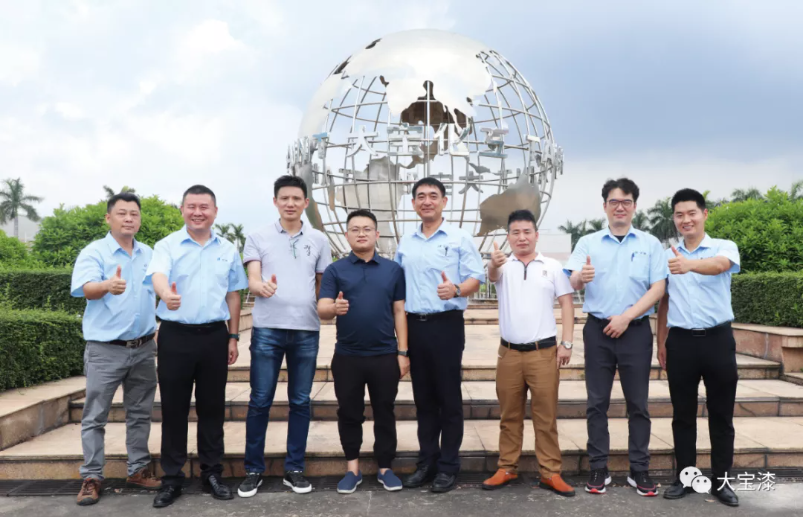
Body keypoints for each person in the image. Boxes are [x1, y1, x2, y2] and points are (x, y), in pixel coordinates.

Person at [564, 178, 667, 497]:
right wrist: (581, 277)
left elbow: (658, 288)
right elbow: (573, 281)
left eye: (626, 201)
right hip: (598, 332)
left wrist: (626, 317)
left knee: (638, 404)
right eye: (613, 201)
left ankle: (640, 469)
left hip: (635, 332)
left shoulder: (650, 243)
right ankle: (598, 468)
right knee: (597, 403)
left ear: (634, 206)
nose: (619, 207)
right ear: (605, 206)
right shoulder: (588, 242)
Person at [147, 185, 248, 508]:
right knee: (173, 409)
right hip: (175, 336)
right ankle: (172, 478)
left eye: (204, 207)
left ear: (215, 212)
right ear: (182, 210)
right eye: (191, 206)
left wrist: (233, 336)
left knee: (212, 408)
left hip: (214, 337)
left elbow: (234, 294)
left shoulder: (228, 249)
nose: (197, 212)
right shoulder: (167, 245)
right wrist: (165, 294)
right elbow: (158, 275)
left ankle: (212, 473)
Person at [237, 175, 331, 498]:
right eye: (284, 198)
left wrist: (330, 307)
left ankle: (294, 469)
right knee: (260, 400)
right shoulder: (258, 236)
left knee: (300, 401)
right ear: (275, 201)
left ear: (306, 203)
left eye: (296, 198)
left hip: (306, 330)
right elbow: (253, 277)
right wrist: (260, 286)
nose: (290, 203)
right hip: (268, 329)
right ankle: (253, 470)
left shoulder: (319, 239)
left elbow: (321, 286)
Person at [395, 177, 485, 493]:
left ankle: (448, 466)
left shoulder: (460, 238)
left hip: (447, 325)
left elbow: (477, 278)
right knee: (424, 400)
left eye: (433, 195)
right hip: (415, 327)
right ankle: (427, 463)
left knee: (449, 399)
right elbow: (397, 287)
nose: (427, 201)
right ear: (413, 204)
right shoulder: (406, 242)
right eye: (421, 196)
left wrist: (456, 289)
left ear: (444, 201)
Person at [71, 192, 161, 506]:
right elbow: (86, 289)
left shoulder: (149, 254)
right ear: (108, 218)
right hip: (105, 350)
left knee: (140, 413)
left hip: (143, 348)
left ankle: (138, 469)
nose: (128, 219)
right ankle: (92, 476)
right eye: (122, 213)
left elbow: (159, 291)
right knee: (95, 416)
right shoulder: (94, 252)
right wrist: (107, 286)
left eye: (134, 213)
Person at [481, 210, 576, 497]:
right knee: (509, 416)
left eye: (526, 232)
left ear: (536, 235)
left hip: (543, 353)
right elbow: (492, 275)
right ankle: (507, 467)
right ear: (508, 237)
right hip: (509, 354)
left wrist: (567, 343)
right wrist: (493, 263)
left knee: (545, 417)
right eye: (515, 232)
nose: (521, 237)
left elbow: (567, 303)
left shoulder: (552, 266)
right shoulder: (503, 266)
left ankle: (550, 472)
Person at [657, 189, 740, 507]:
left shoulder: (723, 247)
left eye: (691, 213)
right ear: (674, 218)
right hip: (680, 343)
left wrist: (689, 265)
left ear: (704, 214)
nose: (686, 219)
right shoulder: (666, 255)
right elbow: (664, 301)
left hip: (718, 340)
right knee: (683, 415)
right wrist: (661, 342)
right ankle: (685, 478)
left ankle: (721, 482)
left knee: (721, 415)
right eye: (679, 214)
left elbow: (720, 266)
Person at [318, 209, 409, 494]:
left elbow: (399, 311)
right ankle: (352, 469)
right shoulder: (335, 270)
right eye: (355, 229)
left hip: (385, 355)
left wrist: (403, 352)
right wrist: (334, 308)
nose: (361, 233)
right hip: (348, 356)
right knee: (349, 413)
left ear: (376, 234)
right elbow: (322, 308)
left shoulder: (393, 270)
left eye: (367, 229)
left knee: (385, 411)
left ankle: (385, 468)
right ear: (347, 235)